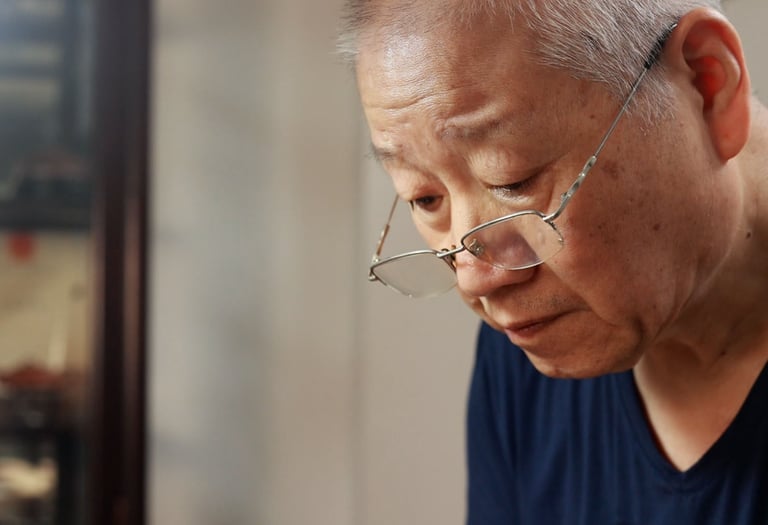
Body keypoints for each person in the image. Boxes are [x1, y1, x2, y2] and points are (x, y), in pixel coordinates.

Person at [340, 0, 768, 523]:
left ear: (708, 85)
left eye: (511, 181)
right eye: (425, 199)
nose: (477, 279)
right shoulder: (538, 340)